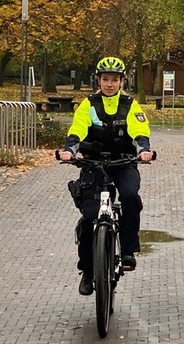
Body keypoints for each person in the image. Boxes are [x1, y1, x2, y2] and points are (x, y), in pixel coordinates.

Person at [59, 56, 153, 296]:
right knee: (90, 218)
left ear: (122, 81)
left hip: (123, 163)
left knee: (130, 196)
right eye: (105, 79)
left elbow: (139, 130)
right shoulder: (89, 104)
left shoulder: (130, 104)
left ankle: (128, 251)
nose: (110, 84)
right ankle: (88, 271)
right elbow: (78, 129)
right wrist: (70, 150)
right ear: (98, 80)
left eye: (114, 79)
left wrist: (143, 150)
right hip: (94, 164)